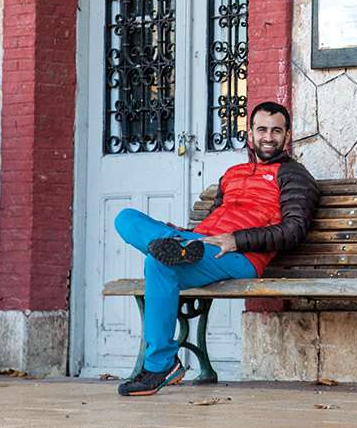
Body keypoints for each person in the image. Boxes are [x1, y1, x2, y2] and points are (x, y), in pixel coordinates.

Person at [113, 100, 319, 396]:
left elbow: (294, 230)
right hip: (202, 244)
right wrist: (188, 236)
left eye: (276, 131)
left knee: (158, 263)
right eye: (262, 129)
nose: (269, 137)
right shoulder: (233, 173)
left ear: (287, 136)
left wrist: (237, 240)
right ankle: (174, 245)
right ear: (250, 134)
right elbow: (217, 216)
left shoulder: (294, 175)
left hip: (240, 256)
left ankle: (161, 364)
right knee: (126, 218)